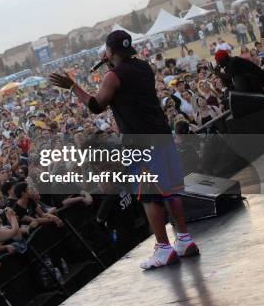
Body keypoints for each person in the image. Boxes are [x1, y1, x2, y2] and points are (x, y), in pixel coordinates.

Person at [49, 30, 199, 270]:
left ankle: (163, 248)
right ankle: (184, 239)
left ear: (109, 52)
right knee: (170, 190)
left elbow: (96, 105)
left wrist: (72, 86)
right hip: (160, 134)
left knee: (150, 195)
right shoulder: (143, 66)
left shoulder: (113, 75)